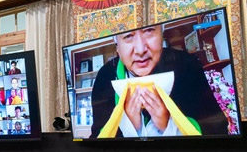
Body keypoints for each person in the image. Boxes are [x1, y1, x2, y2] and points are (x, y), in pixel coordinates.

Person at [89, 25, 228, 138]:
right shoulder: (105, 76)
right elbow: (98, 138)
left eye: (149, 31)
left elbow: (218, 127)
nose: (140, 50)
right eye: (128, 36)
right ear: (117, 47)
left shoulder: (186, 64)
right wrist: (130, 126)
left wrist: (167, 124)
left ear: (162, 34)